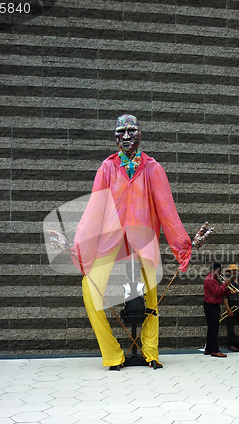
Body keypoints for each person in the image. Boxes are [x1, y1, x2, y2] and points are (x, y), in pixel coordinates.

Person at [69, 114, 192, 367]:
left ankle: (150, 352)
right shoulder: (107, 167)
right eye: (120, 131)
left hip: (144, 240)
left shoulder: (153, 168)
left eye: (131, 130)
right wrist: (80, 245)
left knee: (151, 299)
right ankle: (113, 353)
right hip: (109, 240)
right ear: (114, 136)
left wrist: (181, 246)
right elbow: (94, 208)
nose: (126, 136)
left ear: (140, 134)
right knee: (90, 291)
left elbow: (167, 211)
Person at [203, 262, 236, 358]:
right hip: (211, 306)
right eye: (220, 270)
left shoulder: (214, 279)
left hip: (213, 305)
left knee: (211, 328)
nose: (220, 273)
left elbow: (219, 291)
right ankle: (214, 350)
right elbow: (217, 292)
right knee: (214, 329)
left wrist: (229, 291)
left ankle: (208, 349)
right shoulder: (209, 280)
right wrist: (225, 284)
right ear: (215, 270)